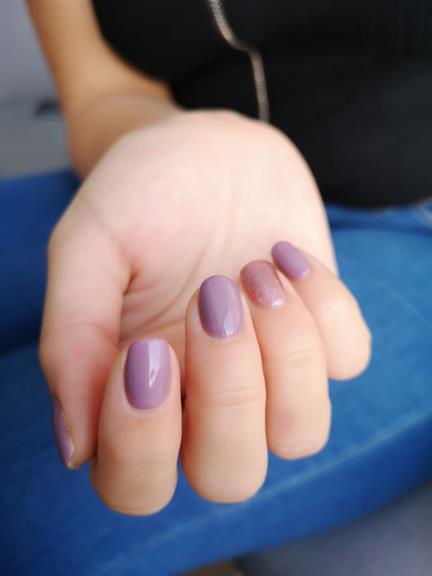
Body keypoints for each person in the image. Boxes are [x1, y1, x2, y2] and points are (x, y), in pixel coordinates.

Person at [1, 2, 431, 575]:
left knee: (22, 519)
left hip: (415, 226)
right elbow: (103, 92)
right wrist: (172, 140)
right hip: (173, 173)